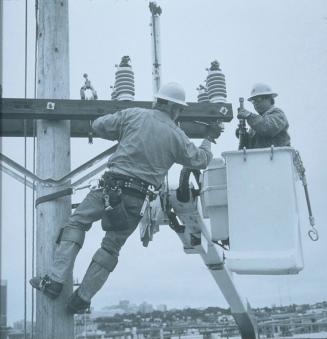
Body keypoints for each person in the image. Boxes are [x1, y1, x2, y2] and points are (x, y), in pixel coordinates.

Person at [30, 82, 221, 313]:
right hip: (137, 199)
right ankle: (82, 299)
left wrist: (123, 133)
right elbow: (201, 160)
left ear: (158, 101)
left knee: (77, 223)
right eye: (179, 109)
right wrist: (209, 138)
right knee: (111, 247)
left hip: (109, 188)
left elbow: (100, 126)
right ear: (174, 108)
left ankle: (54, 281)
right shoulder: (177, 136)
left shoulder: (134, 115)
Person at [237, 83, 291, 148]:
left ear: (269, 99)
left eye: (258, 99)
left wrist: (249, 115)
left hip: (276, 156)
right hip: (260, 157)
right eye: (253, 101)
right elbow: (249, 147)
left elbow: (267, 128)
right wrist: (243, 134)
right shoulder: (256, 123)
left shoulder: (278, 114)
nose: (255, 103)